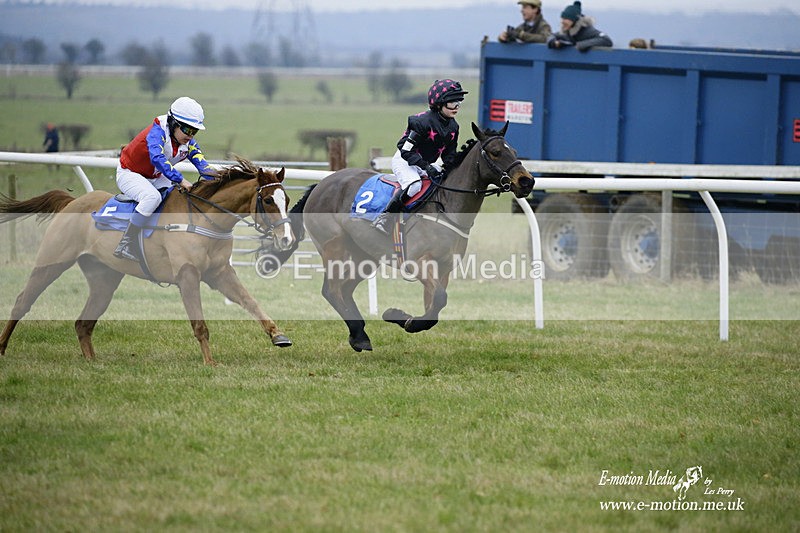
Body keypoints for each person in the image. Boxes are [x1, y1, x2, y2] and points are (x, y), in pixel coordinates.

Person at [113, 96, 218, 261]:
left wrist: (221, 179)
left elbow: (203, 166)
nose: (190, 135)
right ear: (173, 123)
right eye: (187, 129)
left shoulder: (188, 142)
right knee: (152, 197)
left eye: (194, 131)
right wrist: (180, 179)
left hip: (155, 176)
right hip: (130, 173)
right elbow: (157, 159)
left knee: (177, 197)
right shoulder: (157, 132)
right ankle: (126, 243)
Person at [372, 79, 468, 236]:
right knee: (415, 185)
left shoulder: (453, 127)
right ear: (439, 104)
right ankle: (385, 217)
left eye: (459, 102)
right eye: (452, 103)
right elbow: (405, 150)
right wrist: (427, 167)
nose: (457, 107)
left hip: (423, 164)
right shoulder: (421, 122)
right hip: (405, 161)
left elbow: (449, 156)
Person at [547, 1, 613, 52]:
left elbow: (607, 40)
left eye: (566, 19)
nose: (562, 22)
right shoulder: (566, 32)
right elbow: (552, 35)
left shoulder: (587, 31)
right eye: (562, 18)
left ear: (575, 21)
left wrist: (582, 44)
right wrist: (553, 42)